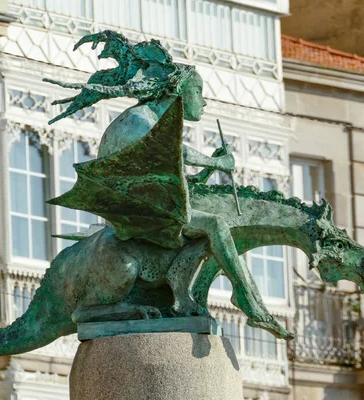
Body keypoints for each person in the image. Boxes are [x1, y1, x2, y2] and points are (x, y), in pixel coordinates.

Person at [45, 31, 287, 334]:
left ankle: (183, 296)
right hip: (136, 212)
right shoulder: (138, 120)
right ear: (179, 92)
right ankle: (246, 298)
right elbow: (171, 152)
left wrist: (204, 173)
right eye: (198, 92)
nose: (204, 102)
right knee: (216, 226)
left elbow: (164, 174)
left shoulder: (157, 123)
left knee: (208, 228)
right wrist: (216, 162)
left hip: (152, 205)